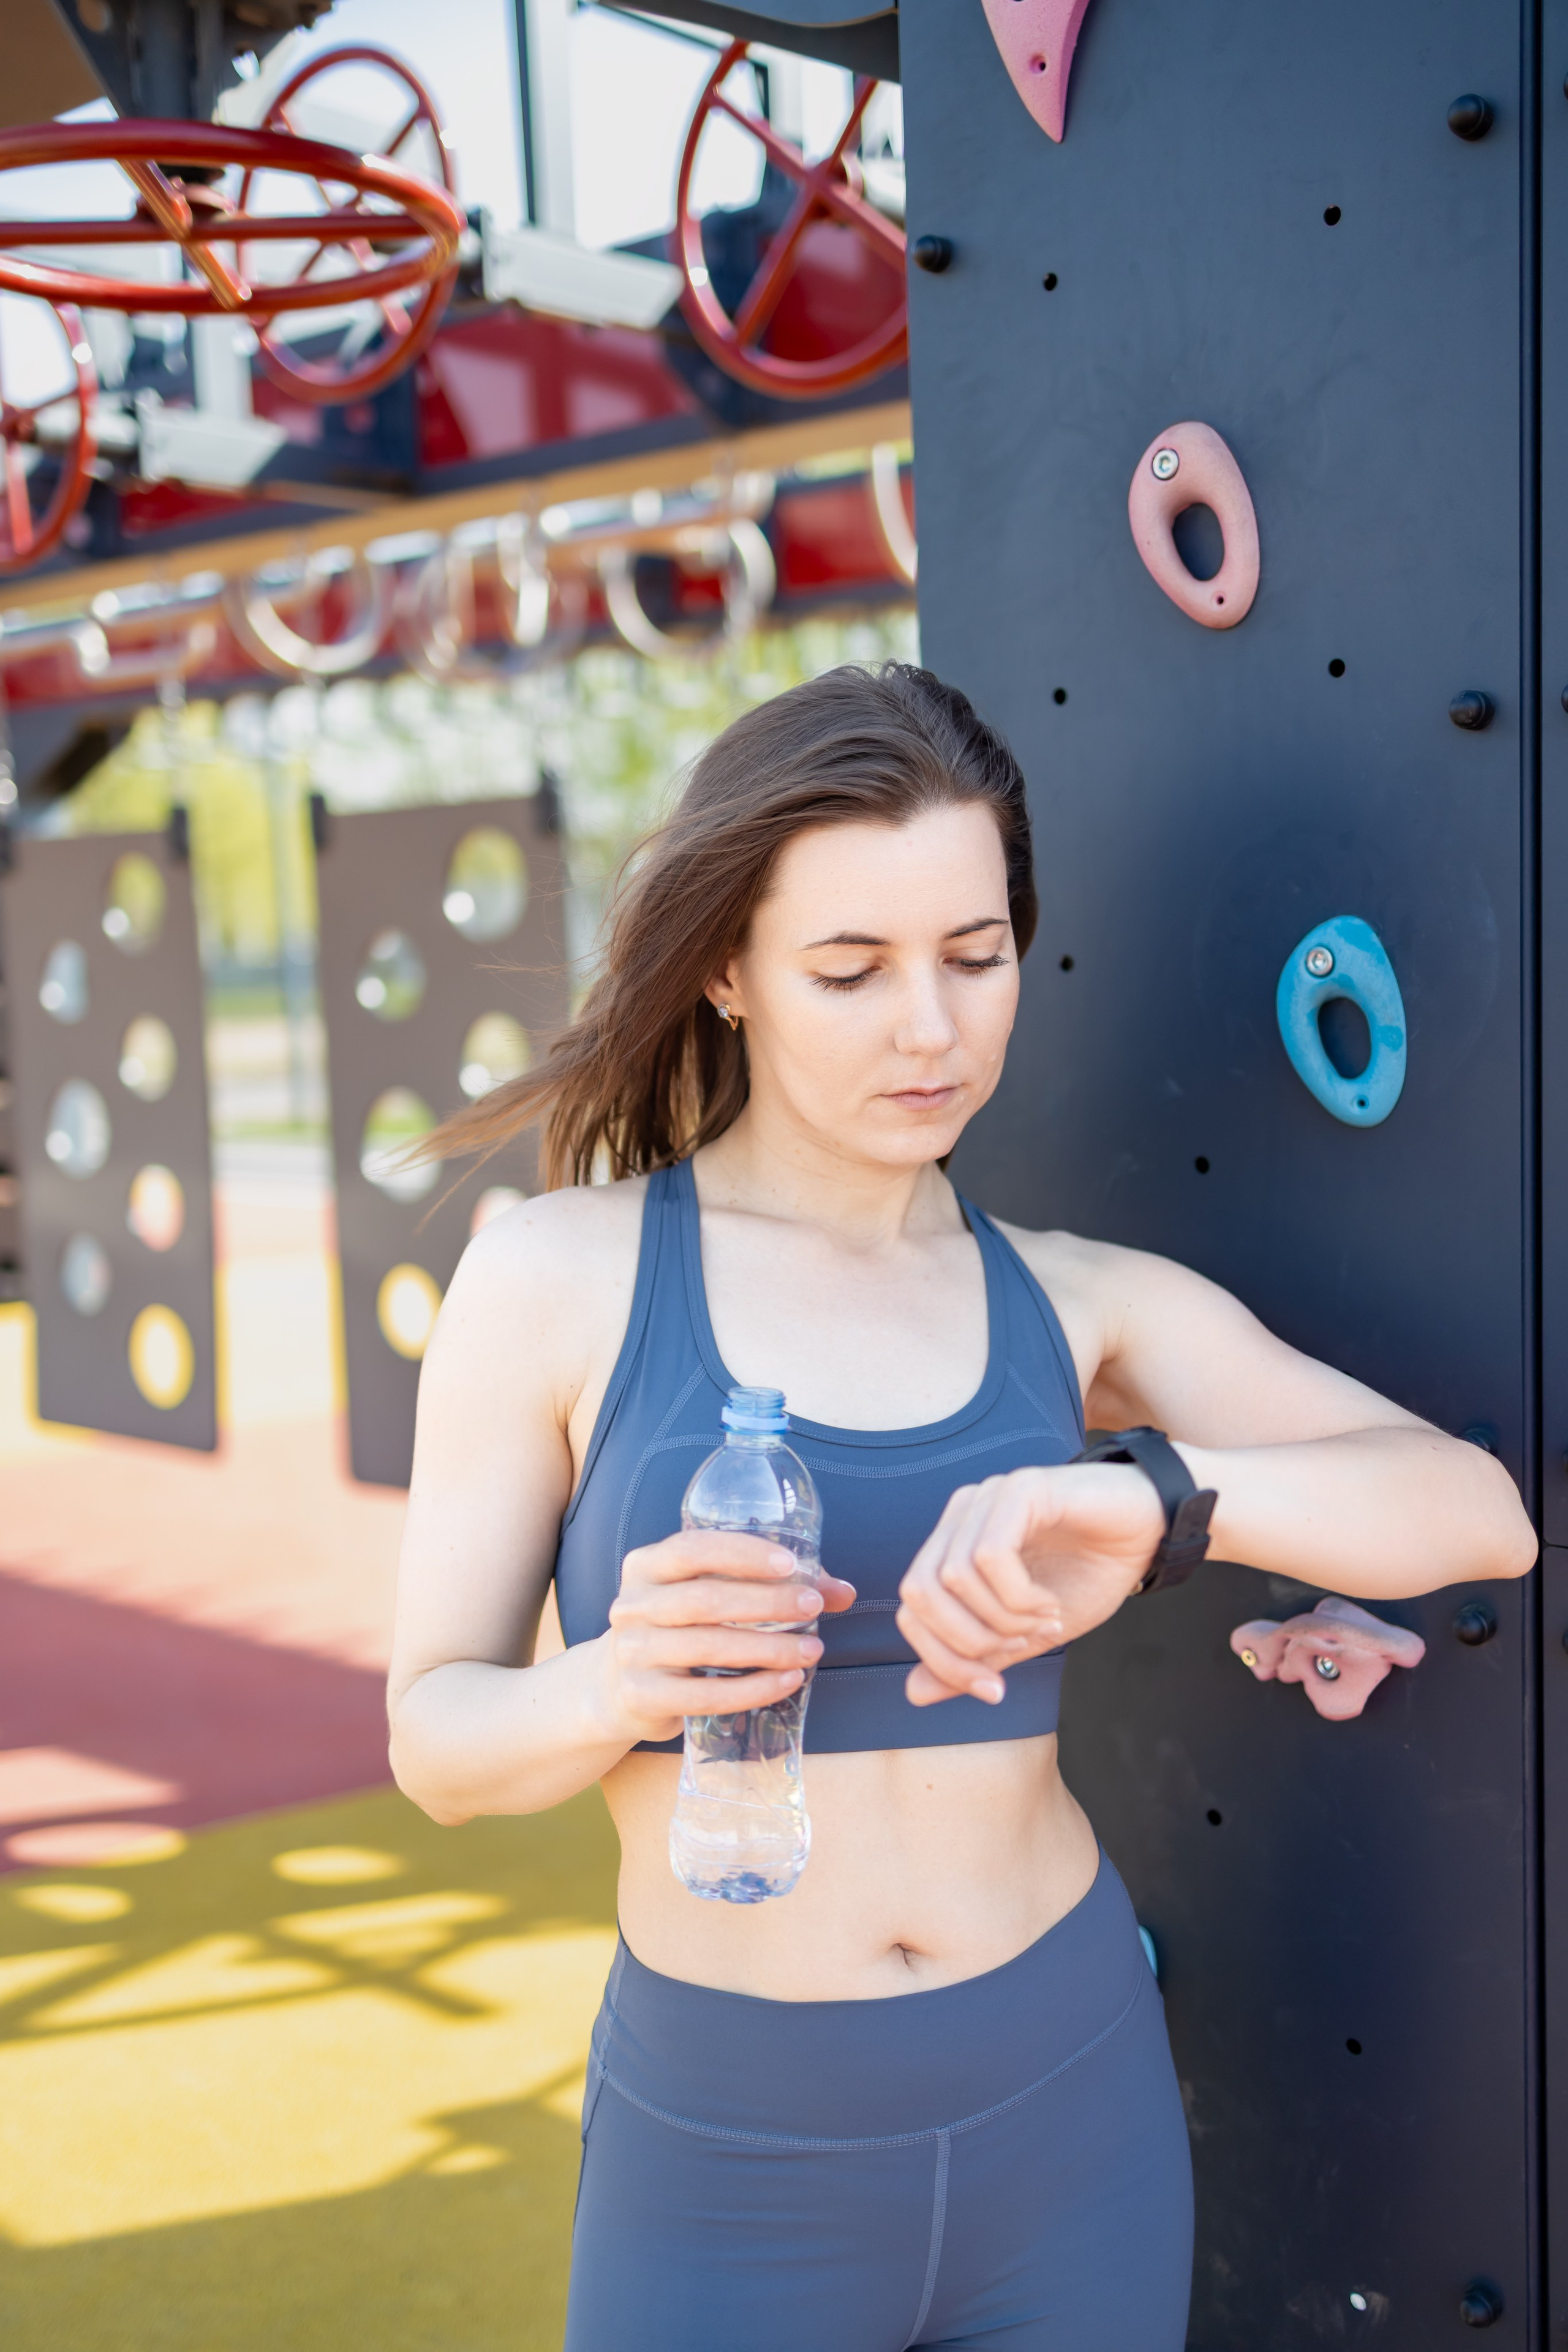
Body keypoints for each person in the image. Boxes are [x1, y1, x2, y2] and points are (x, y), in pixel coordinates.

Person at [387, 663, 1535, 2352]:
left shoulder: (1077, 1304)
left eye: (977, 957)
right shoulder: (558, 1278)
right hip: (732, 2146)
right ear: (727, 970)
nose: (930, 1028)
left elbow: (1477, 1515)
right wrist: (616, 1682)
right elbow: (436, 1744)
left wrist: (1157, 1501)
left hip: (1067, 2101)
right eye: (850, 969)